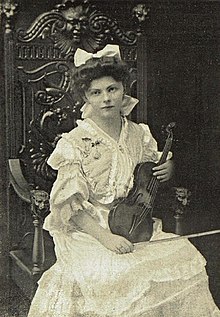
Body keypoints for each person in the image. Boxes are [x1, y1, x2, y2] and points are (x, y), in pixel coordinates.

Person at [28, 44, 220, 317]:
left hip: (134, 223)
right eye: (96, 92)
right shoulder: (74, 142)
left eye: (112, 89)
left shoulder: (138, 134)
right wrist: (106, 238)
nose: (106, 98)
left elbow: (152, 168)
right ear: (86, 97)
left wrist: (168, 167)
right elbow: (71, 207)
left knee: (184, 256)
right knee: (115, 274)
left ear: (123, 90)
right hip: (90, 230)